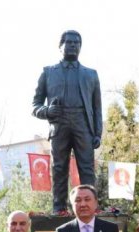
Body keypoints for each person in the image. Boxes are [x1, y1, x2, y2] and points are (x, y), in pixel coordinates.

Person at [32, 30, 102, 214]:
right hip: (59, 124)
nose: (73, 45)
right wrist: (47, 111)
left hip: (83, 124)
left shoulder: (91, 74)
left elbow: (97, 108)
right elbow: (35, 105)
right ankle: (59, 208)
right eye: (69, 42)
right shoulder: (48, 72)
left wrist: (97, 133)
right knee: (59, 168)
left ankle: (91, 207)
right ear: (60, 46)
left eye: (76, 43)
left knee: (87, 168)